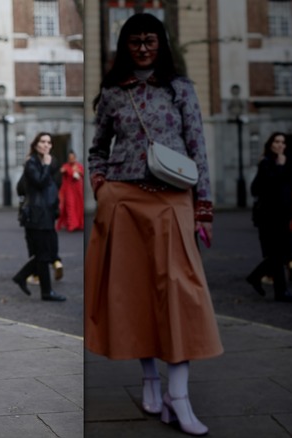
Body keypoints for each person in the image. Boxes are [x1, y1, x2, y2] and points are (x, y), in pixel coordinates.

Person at [85, 13, 223, 436]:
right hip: (124, 200)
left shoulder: (180, 89)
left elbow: (197, 145)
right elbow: (97, 149)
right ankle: (149, 379)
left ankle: (178, 396)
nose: (143, 48)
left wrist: (203, 207)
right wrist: (102, 187)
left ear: (161, 44)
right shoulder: (112, 93)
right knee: (136, 292)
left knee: (180, 293)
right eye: (135, 42)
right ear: (124, 46)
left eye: (150, 41)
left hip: (172, 200)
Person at [246, 132, 292, 302]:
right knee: (278, 254)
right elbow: (268, 187)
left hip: (283, 214)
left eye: (283, 142)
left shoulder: (285, 162)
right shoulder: (266, 163)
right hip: (269, 216)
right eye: (276, 141)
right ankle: (278, 290)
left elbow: (289, 186)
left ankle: (261, 280)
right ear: (271, 144)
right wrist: (279, 167)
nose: (280, 144)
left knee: (281, 254)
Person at [12, 133, 67, 302]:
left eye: (49, 142)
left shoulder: (50, 162)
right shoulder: (32, 163)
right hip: (36, 215)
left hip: (47, 214)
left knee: (50, 252)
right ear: (36, 145)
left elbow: (55, 185)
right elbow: (40, 183)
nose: (46, 145)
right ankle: (46, 291)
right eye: (42, 142)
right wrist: (46, 165)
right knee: (43, 254)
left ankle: (22, 276)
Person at [57, 151, 84, 232]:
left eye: (73, 158)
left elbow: (82, 174)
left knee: (79, 206)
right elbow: (61, 171)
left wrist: (78, 171)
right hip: (68, 190)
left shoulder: (78, 166)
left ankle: (79, 224)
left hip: (77, 190)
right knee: (70, 206)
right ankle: (72, 225)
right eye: (70, 158)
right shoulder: (66, 166)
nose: (72, 160)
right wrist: (67, 170)